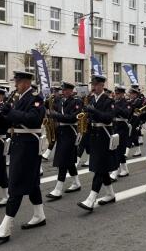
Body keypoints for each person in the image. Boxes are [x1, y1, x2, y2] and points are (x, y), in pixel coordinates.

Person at [0, 71, 46, 244]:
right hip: (20, 144)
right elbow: (11, 122)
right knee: (32, 184)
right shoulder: (19, 98)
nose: (15, 85)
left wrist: (10, 113)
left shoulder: (36, 97)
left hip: (29, 145)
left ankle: (6, 227)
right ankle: (39, 215)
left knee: (16, 184)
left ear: (25, 82)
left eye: (17, 82)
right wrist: (3, 117)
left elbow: (34, 120)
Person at [77, 75, 117, 212]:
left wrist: (94, 110)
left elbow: (108, 118)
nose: (93, 87)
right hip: (94, 136)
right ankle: (110, 194)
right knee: (102, 168)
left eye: (95, 85)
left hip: (104, 136)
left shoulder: (108, 100)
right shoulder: (91, 99)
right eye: (92, 85)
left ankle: (91, 199)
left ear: (101, 85)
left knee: (99, 168)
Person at [45, 82, 82, 200]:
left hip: (70, 133)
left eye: (66, 90)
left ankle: (58, 189)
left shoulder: (77, 102)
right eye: (63, 90)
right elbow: (53, 112)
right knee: (69, 161)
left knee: (62, 161)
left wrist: (56, 115)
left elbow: (72, 118)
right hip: (61, 132)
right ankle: (76, 183)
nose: (64, 91)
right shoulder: (60, 101)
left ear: (71, 91)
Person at [110, 86, 131, 181]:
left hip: (123, 128)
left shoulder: (126, 103)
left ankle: (114, 171)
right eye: (116, 93)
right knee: (119, 150)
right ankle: (125, 170)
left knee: (118, 150)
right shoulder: (114, 102)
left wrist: (117, 108)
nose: (116, 95)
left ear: (122, 94)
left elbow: (127, 114)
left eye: (118, 93)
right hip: (115, 127)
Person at [41, 86, 62, 161]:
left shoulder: (60, 99)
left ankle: (47, 154)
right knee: (52, 137)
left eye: (56, 92)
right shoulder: (50, 99)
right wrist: (47, 112)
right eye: (53, 91)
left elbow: (59, 110)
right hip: (51, 121)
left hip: (58, 121)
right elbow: (45, 107)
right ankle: (47, 154)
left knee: (56, 138)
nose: (54, 93)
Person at [126, 87, 143, 158]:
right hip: (130, 120)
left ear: (135, 94)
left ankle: (126, 153)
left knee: (130, 136)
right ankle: (138, 151)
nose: (130, 95)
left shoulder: (138, 101)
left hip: (136, 121)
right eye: (130, 93)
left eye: (131, 94)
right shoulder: (131, 101)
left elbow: (136, 111)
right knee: (134, 136)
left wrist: (129, 103)